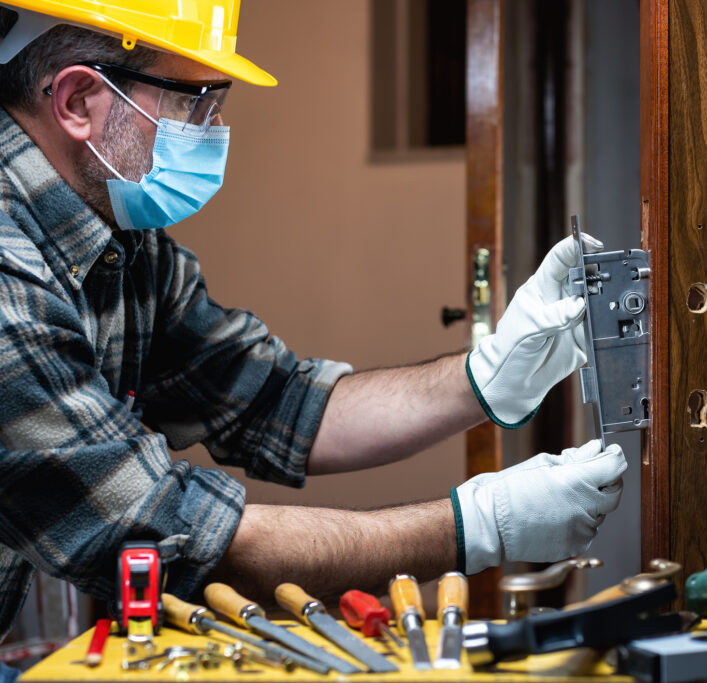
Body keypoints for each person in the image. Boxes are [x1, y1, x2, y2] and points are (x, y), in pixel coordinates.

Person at [0, 0, 627, 655]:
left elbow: (277, 402)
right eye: (194, 103)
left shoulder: (120, 247)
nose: (213, 130)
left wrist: (485, 378)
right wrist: (478, 525)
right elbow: (163, 530)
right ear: (77, 100)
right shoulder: (7, 270)